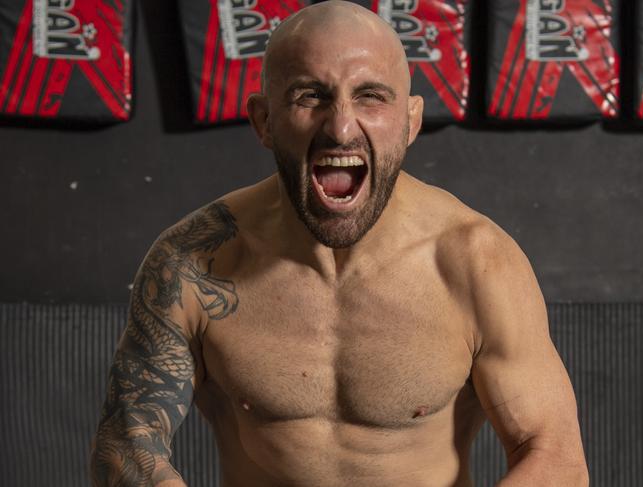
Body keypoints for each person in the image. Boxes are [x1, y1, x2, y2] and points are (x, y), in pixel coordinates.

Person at [89, 1, 589, 485]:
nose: (342, 127)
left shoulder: (475, 262)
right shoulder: (192, 261)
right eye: (310, 95)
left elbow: (556, 457)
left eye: (371, 95)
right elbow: (128, 443)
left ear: (411, 120)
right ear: (264, 120)